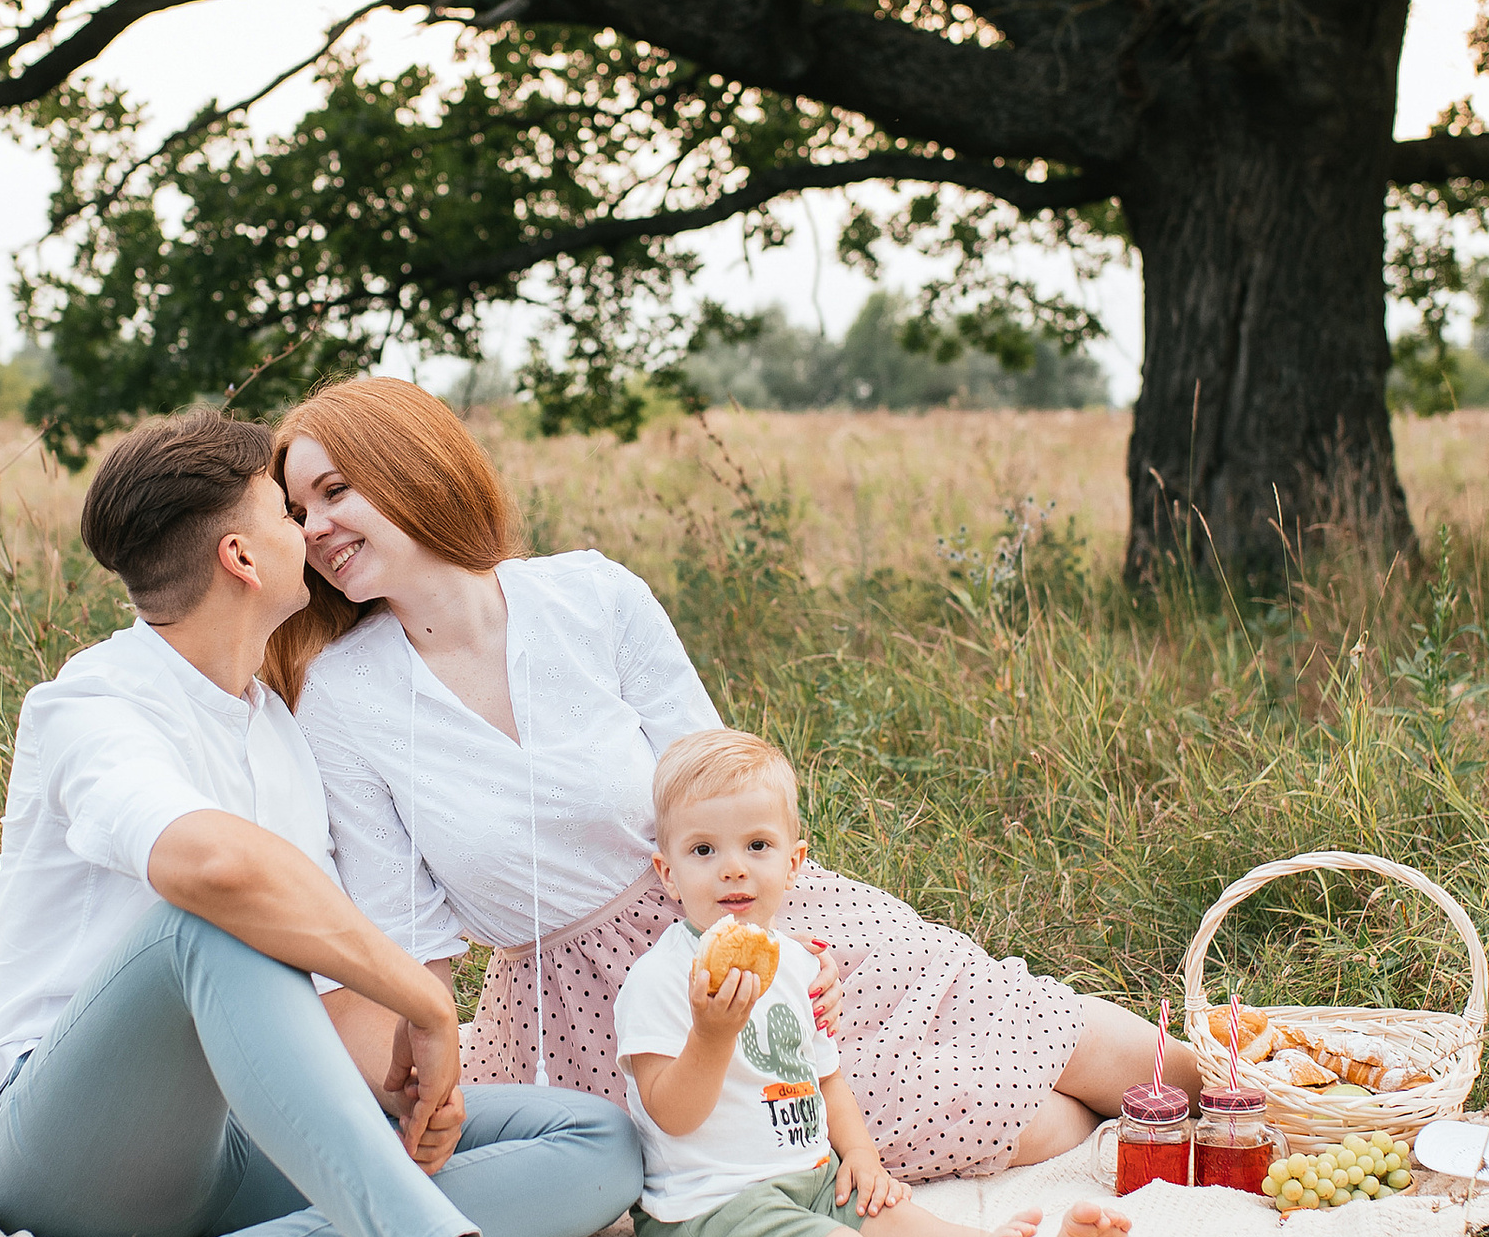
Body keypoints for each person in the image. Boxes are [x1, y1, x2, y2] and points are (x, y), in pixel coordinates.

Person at [270, 377, 1197, 1173]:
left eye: (334, 491)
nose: (315, 527)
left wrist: (771, 934)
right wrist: (416, 1081)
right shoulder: (343, 700)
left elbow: (721, 777)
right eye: (298, 510)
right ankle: (1102, 1130)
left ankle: (1281, 1095)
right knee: (1026, 1122)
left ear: (414, 468)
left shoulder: (589, 594)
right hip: (590, 1007)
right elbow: (401, 940)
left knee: (1085, 1044)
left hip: (748, 907)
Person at [0, 409, 639, 1237]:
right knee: (212, 925)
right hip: (56, 1145)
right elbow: (214, 871)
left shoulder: (277, 730)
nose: (311, 531)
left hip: (226, 1153)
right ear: (238, 553)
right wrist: (424, 997)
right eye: (287, 509)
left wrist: (402, 1088)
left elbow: (309, 999)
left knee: (594, 1142)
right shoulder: (93, 706)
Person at [616, 728, 1136, 1237]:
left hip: (809, 1177)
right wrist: (711, 1035)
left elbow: (826, 1078)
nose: (733, 869)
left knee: (904, 1222)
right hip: (711, 1206)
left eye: (756, 845)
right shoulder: (661, 979)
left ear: (794, 865)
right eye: (703, 851)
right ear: (667, 872)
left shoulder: (796, 963)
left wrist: (861, 1155)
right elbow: (669, 1114)